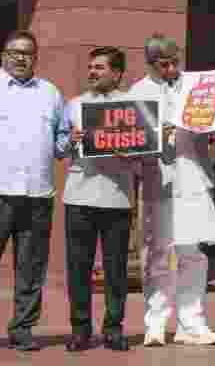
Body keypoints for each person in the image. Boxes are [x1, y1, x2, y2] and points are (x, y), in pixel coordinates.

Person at [0, 30, 70, 353]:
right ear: (3, 55)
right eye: (14, 52)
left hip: (38, 194)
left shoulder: (51, 93)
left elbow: (61, 143)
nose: (20, 58)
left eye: (27, 53)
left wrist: (74, 141)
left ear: (36, 57)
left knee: (31, 268)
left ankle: (22, 329)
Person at [130, 34, 215, 347]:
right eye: (164, 64)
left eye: (175, 62)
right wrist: (157, 135)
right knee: (159, 252)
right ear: (151, 64)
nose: (172, 68)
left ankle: (192, 323)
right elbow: (130, 141)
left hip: (194, 175)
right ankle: (155, 323)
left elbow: (213, 124)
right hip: (159, 179)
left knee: (192, 253)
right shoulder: (138, 92)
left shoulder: (195, 85)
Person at [61, 47, 137, 352]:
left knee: (116, 269)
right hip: (79, 195)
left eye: (100, 68)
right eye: (91, 67)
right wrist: (71, 141)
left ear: (117, 73)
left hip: (117, 197)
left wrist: (128, 151)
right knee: (78, 268)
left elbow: (146, 153)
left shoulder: (133, 107)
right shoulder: (74, 105)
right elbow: (60, 148)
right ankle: (80, 330)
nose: (92, 72)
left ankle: (113, 329)